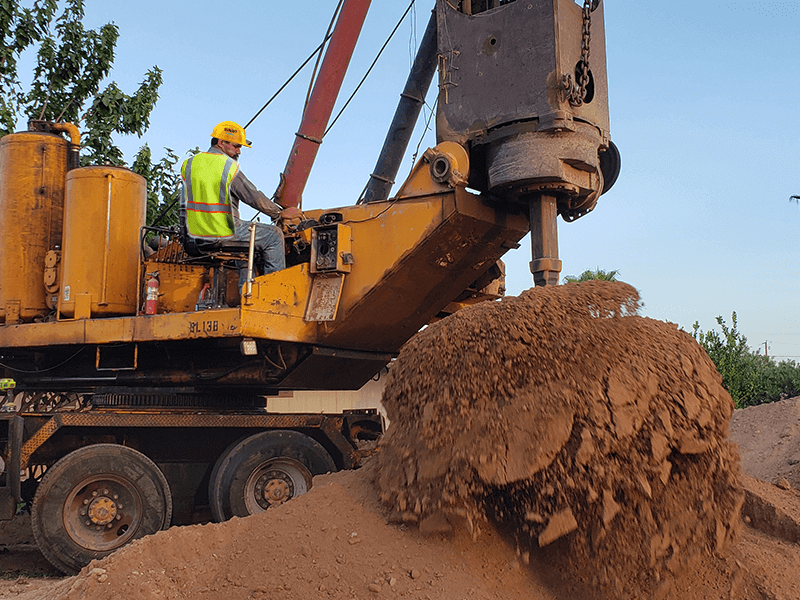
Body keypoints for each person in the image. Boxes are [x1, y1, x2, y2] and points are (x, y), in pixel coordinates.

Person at [181, 121, 292, 290]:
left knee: (245, 247)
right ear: (220, 142)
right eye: (236, 146)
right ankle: (274, 292)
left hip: (194, 235)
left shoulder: (190, 164)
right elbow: (252, 196)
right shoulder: (226, 166)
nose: (239, 151)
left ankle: (247, 293)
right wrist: (279, 214)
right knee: (274, 236)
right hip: (221, 232)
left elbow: (184, 203)